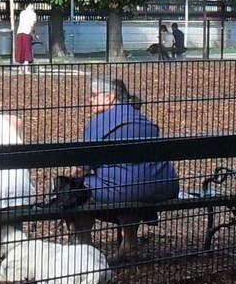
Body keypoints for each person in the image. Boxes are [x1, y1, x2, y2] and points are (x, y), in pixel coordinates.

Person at [66, 76, 177, 261]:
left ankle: (84, 247)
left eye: (94, 95)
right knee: (130, 180)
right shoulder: (142, 119)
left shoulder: (100, 122)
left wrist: (71, 179)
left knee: (77, 188)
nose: (90, 100)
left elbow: (82, 166)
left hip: (127, 190)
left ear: (110, 98)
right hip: (163, 186)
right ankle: (129, 244)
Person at [14, 1, 39, 69]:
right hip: (27, 33)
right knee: (27, 50)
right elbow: (32, 25)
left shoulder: (22, 13)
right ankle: (26, 69)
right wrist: (34, 34)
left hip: (20, 32)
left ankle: (20, 68)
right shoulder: (33, 14)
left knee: (20, 49)